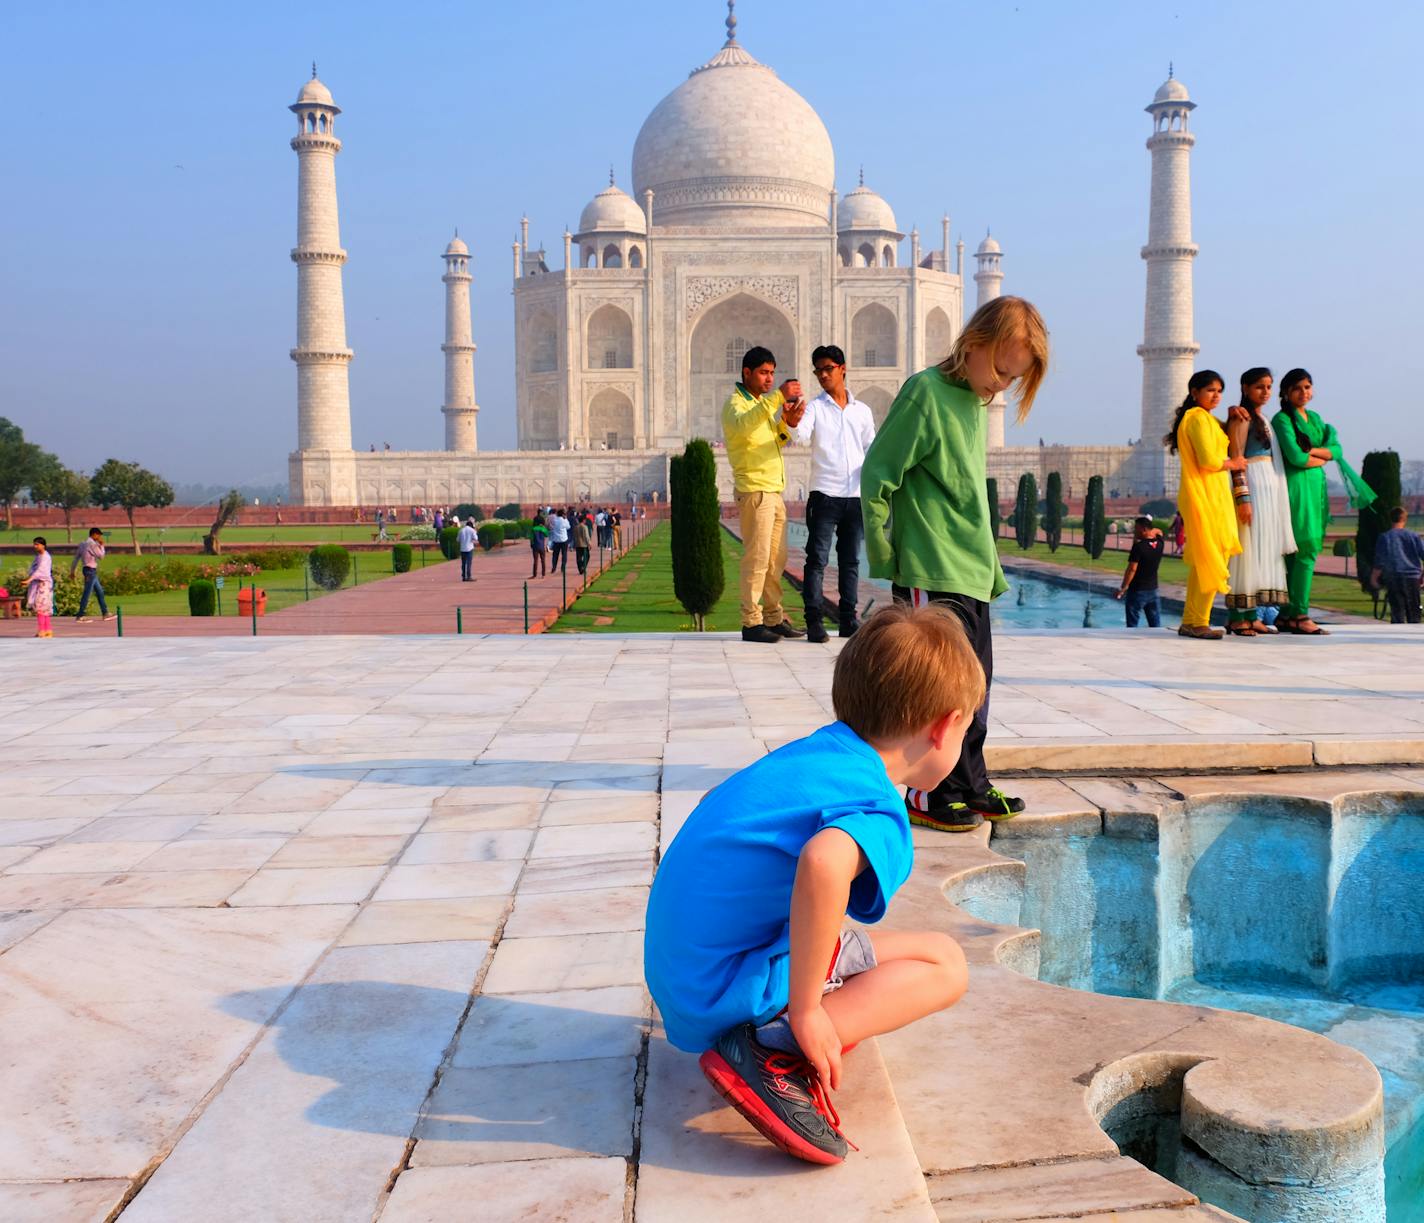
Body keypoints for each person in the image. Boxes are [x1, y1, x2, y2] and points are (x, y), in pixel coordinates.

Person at [644, 603, 977, 1165]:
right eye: (966, 730)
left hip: (686, 974)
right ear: (944, 727)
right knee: (946, 968)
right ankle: (775, 1050)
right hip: (720, 990)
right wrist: (807, 1011)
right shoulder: (875, 805)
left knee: (931, 948)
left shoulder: (818, 757)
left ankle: (778, 1021)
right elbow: (822, 864)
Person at [861, 295, 1047, 832]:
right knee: (933, 688)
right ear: (973, 343)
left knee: (975, 685)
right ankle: (928, 792)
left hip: (968, 566)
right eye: (1000, 370)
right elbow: (878, 475)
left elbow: (966, 494)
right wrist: (885, 552)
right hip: (929, 566)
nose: (1001, 386)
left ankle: (970, 782)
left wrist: (989, 568)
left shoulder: (971, 399)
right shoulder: (926, 393)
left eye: (1013, 379)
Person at [1272, 369, 1376, 635]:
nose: (1304, 392)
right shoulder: (1282, 419)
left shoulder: (1315, 419)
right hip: (1296, 489)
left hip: (1315, 489)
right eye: (1297, 388)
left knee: (1302, 552)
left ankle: (1287, 614)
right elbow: (1295, 457)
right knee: (1303, 551)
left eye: (1308, 387)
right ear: (1285, 392)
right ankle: (1299, 613)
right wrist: (1322, 456)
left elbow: (1337, 450)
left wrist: (1314, 452)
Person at [722, 345, 808, 644]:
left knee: (775, 561)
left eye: (772, 373)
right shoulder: (737, 405)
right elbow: (745, 428)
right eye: (763, 373)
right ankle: (751, 622)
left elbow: (776, 440)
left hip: (773, 491)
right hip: (754, 491)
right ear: (746, 372)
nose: (769, 379)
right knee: (757, 560)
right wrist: (778, 398)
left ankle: (773, 618)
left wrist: (789, 423)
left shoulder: (762, 405)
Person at [792, 344, 876, 643]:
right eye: (819, 371)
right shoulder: (814, 408)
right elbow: (800, 435)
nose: (823, 375)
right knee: (816, 559)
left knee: (851, 561)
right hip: (825, 494)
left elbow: (870, 449)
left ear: (842, 369)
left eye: (828, 369)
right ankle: (814, 621)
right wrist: (791, 421)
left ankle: (848, 620)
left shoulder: (862, 411)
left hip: (854, 496)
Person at [1165, 370, 1245, 640]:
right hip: (1204, 494)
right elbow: (1209, 460)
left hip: (1212, 493)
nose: (1216, 396)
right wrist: (1233, 464)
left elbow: (1223, 436)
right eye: (1210, 390)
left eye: (1220, 391)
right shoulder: (1198, 418)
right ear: (1194, 392)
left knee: (1206, 559)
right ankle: (1198, 621)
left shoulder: (1204, 419)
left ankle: (1192, 620)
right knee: (1210, 558)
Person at [1223, 368, 1297, 637]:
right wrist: (1243, 499)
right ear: (1244, 388)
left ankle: (1252, 615)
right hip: (1252, 486)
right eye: (1259, 387)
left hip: (1269, 488)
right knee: (1246, 552)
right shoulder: (1240, 418)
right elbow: (1236, 459)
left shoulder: (1261, 418)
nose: (1265, 392)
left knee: (1261, 551)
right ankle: (1236, 617)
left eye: (1268, 387)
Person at [1371, 507, 1424, 624]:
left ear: (1390, 519)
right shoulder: (1414, 536)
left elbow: (1380, 560)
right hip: (1412, 577)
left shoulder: (1385, 537)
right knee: (1414, 612)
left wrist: (1374, 578)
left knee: (1397, 611)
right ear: (1405, 519)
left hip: (1394, 577)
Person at [1114, 515, 1165, 627]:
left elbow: (1132, 569)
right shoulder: (1160, 544)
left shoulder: (1138, 547)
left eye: (1136, 528)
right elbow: (1159, 531)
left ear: (1144, 529)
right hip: (1153, 590)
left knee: (1132, 624)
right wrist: (1151, 531)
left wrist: (1123, 588)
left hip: (1137, 591)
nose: (1134, 531)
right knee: (1155, 625)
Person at [71, 527, 114, 623]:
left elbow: (76, 558)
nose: (99, 537)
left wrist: (72, 571)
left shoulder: (82, 544)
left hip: (88, 570)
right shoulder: (92, 544)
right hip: (90, 571)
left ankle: (105, 613)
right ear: (94, 534)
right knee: (87, 593)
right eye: (99, 535)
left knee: (100, 592)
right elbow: (101, 556)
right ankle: (80, 615)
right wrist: (102, 545)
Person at [25, 537, 54, 638]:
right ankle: (47, 630)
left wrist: (29, 580)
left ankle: (43, 630)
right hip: (40, 584)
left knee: (41, 607)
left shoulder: (45, 557)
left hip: (44, 584)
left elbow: (42, 571)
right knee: (43, 608)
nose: (35, 546)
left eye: (37, 544)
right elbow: (34, 568)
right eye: (34, 544)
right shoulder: (39, 556)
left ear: (43, 545)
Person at [547, 507, 570, 574]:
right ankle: (563, 568)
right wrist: (566, 519)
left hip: (556, 540)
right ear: (563, 514)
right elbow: (568, 527)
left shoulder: (555, 520)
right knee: (564, 554)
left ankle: (554, 568)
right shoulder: (563, 520)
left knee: (555, 555)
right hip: (563, 540)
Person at [529, 512, 549, 578]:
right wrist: (543, 528)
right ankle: (543, 574)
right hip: (542, 546)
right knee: (543, 560)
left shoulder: (533, 529)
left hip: (535, 546)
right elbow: (547, 535)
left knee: (535, 561)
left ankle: (534, 574)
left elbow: (531, 538)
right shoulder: (543, 529)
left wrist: (531, 545)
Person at [573, 512, 592, 577]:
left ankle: (580, 569)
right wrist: (589, 543)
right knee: (587, 556)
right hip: (584, 544)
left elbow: (574, 536)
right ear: (583, 520)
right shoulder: (584, 527)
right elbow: (586, 536)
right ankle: (583, 566)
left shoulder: (576, 527)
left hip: (578, 544)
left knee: (578, 557)